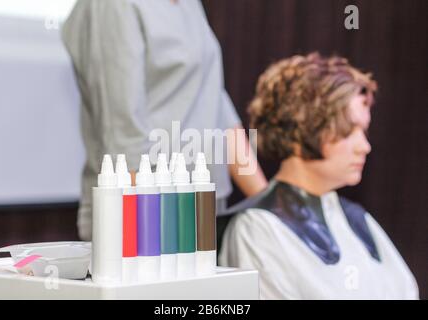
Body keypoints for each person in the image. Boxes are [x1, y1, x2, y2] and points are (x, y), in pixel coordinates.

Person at [62, 0, 267, 240]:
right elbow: (123, 136)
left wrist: (271, 204)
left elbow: (216, 105)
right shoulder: (113, 6)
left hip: (199, 206)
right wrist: (149, 235)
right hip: (148, 217)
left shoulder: (189, 4)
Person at [219, 53, 419, 299]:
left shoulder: (356, 219)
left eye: (363, 131)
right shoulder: (258, 228)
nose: (364, 146)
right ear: (303, 129)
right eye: (348, 131)